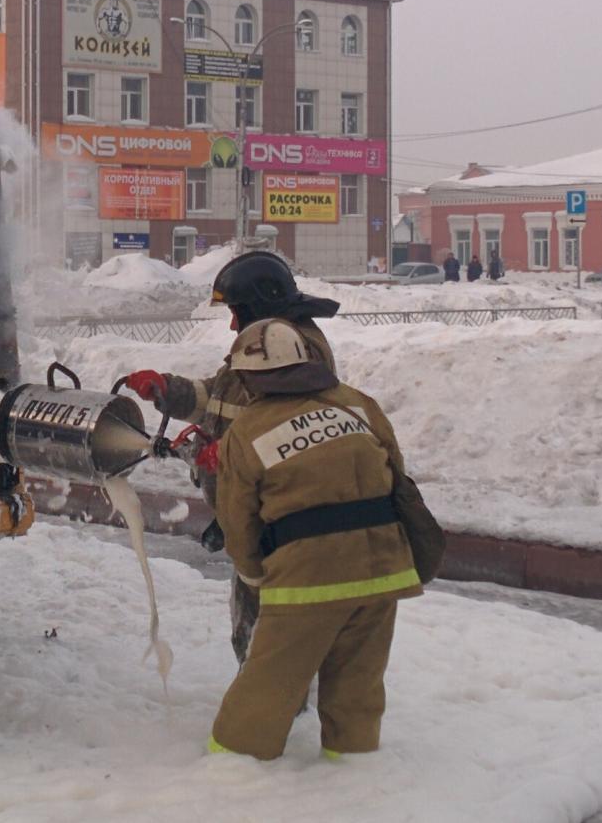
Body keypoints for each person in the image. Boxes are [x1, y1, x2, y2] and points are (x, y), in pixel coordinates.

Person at [204, 317, 423, 761]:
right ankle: (353, 767)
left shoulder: (246, 431)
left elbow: (237, 518)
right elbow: (396, 473)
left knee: (268, 685)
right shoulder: (358, 404)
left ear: (249, 377)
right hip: (384, 568)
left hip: (307, 576)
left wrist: (252, 572)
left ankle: (231, 774)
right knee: (358, 683)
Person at [121, 251, 341, 664]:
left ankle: (269, 717)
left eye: (237, 312)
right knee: (255, 637)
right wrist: (167, 390)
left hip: (278, 522)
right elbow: (221, 399)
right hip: (253, 519)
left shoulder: (292, 350)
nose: (232, 324)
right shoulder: (266, 346)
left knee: (268, 643)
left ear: (259, 305)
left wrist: (227, 453)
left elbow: (295, 430)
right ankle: (272, 711)